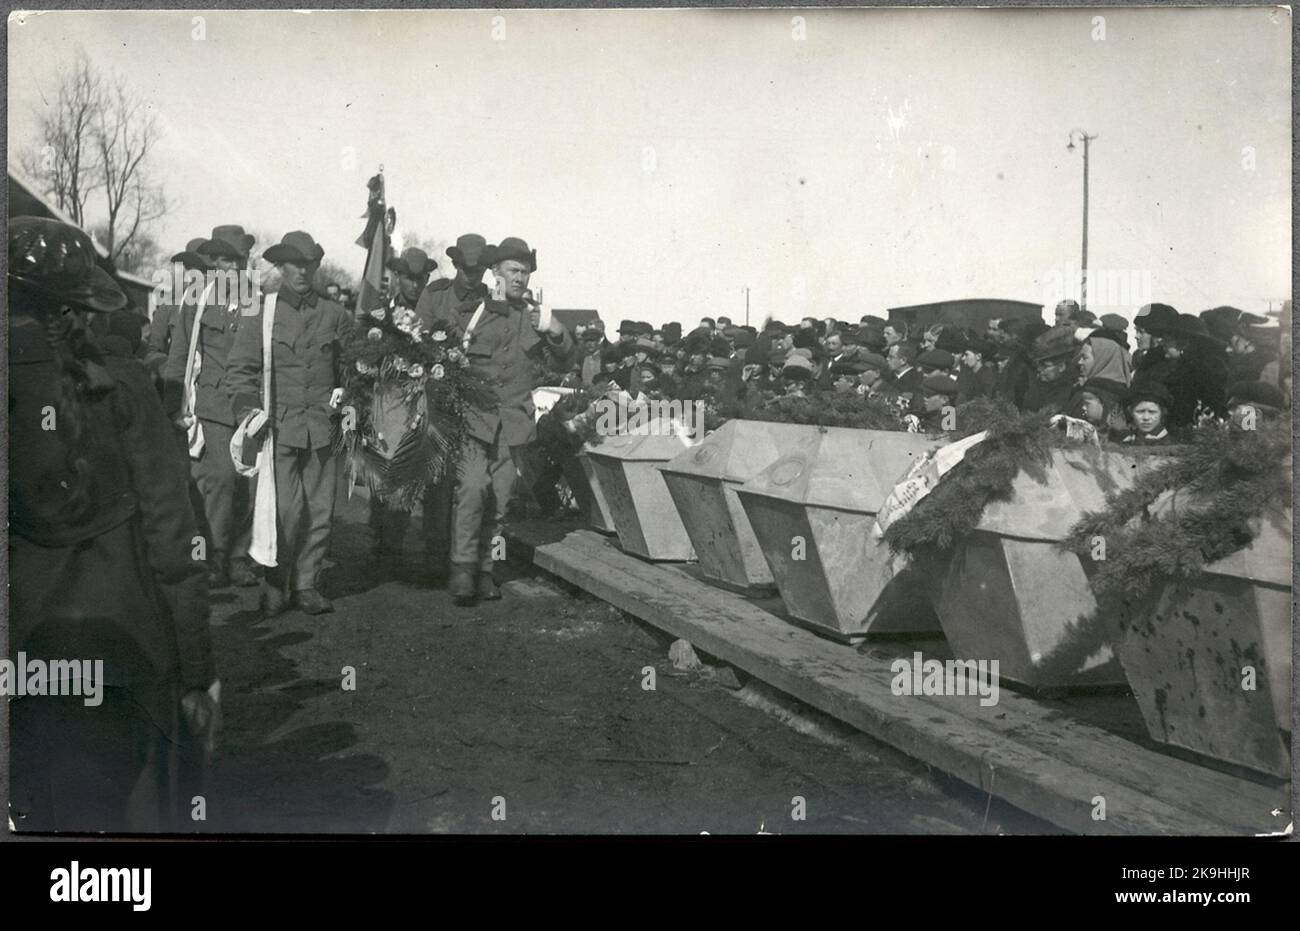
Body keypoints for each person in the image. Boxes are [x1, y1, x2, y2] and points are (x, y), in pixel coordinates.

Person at [8, 217, 217, 832]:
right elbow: (175, 541)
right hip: (125, 655)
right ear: (83, 309)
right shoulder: (121, 385)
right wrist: (197, 672)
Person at [424, 237, 575, 605]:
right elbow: (442, 354)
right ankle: (461, 569)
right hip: (473, 421)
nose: (520, 278)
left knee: (502, 504)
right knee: (473, 489)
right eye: (513, 270)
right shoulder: (474, 312)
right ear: (496, 273)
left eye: (525, 272)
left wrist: (556, 331)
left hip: (514, 426)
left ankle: (489, 571)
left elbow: (565, 363)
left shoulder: (538, 317)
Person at [226, 231, 355, 616]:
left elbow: (352, 370)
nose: (302, 270)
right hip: (278, 430)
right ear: (280, 267)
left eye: (309, 263)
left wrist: (349, 400)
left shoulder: (335, 315)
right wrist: (249, 414)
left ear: (316, 266)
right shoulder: (261, 313)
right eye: (294, 263)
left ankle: (306, 584)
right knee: (283, 512)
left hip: (323, 429)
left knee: (320, 512)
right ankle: (275, 581)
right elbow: (239, 371)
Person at [164, 224, 260, 590]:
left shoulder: (260, 300)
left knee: (250, 483)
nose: (232, 267)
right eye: (223, 259)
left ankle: (238, 556)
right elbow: (180, 355)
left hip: (252, 405)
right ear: (212, 261)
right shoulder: (197, 298)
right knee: (220, 478)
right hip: (212, 403)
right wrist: (173, 406)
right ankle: (214, 555)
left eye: (238, 259)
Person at [366, 247, 439, 569]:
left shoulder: (432, 316)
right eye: (409, 277)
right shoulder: (381, 313)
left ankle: (393, 542)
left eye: (421, 278)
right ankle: (380, 531)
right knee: (383, 464)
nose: (415, 284)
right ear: (397, 277)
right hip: (386, 398)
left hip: (416, 400)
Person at [1022, 326, 1080, 415]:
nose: (1039, 370)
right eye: (1038, 366)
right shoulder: (1039, 385)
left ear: (1061, 367)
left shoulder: (1071, 391)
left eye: (1045, 366)